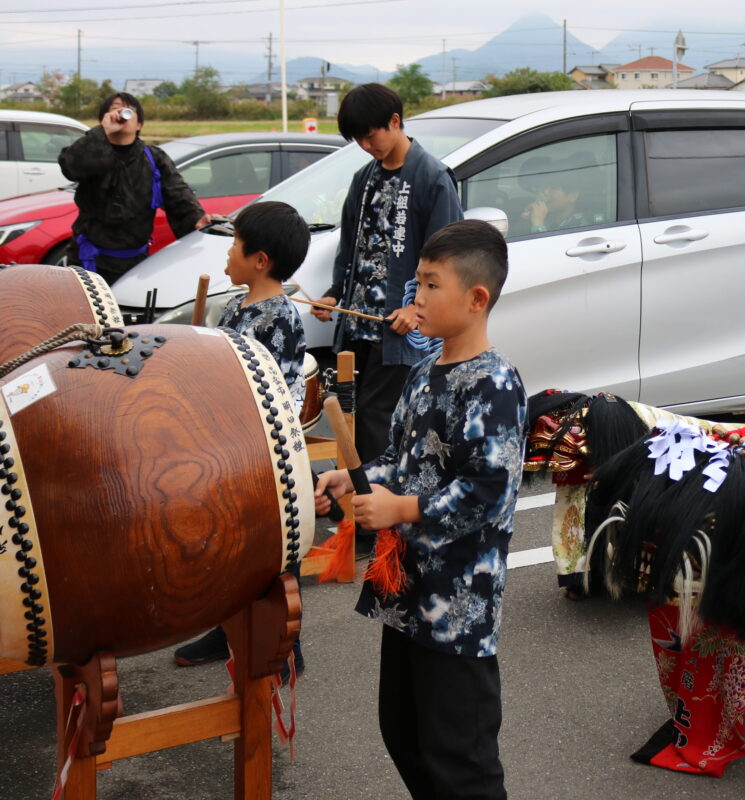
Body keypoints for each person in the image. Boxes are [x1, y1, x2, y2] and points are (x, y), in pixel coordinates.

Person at [314, 220, 525, 800]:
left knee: (461, 757)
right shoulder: (423, 371)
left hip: (457, 607)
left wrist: (400, 507)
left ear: (476, 298)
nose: (416, 299)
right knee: (404, 733)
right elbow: (404, 461)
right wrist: (351, 479)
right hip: (407, 594)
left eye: (432, 285)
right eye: (417, 284)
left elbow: (488, 491)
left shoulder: (495, 383)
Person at [173, 200, 310, 674]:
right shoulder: (237, 306)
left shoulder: (280, 319)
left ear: (260, 260)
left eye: (234, 244)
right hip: (229, 446)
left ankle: (285, 643)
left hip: (264, 452)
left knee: (273, 550)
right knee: (232, 547)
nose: (226, 255)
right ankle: (226, 624)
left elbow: (276, 395)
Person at [311, 83, 462, 466]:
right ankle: (355, 505)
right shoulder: (364, 179)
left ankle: (371, 520)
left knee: (376, 422)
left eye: (369, 134)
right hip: (358, 325)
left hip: (399, 327)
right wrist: (334, 294)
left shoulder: (432, 178)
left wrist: (416, 310)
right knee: (349, 415)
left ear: (395, 121)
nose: (365, 144)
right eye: (357, 138)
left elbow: (448, 260)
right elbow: (352, 247)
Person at [58, 92, 210, 286]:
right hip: (89, 260)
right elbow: (71, 166)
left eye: (128, 110)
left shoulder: (154, 158)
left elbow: (177, 192)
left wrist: (196, 217)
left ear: (138, 124)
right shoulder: (91, 151)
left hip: (136, 263)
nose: (121, 114)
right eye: (114, 109)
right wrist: (102, 131)